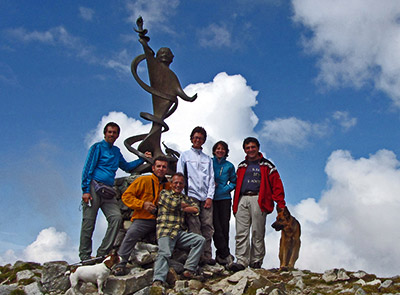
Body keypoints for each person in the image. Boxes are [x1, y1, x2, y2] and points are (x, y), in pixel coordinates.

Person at [79, 122, 149, 262]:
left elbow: (127, 167)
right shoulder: (97, 148)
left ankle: (101, 253)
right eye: (110, 132)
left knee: (116, 218)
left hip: (108, 190)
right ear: (105, 133)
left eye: (115, 132)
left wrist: (143, 158)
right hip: (94, 187)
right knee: (89, 223)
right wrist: (86, 190)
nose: (112, 135)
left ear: (118, 135)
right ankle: (85, 256)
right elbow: (87, 169)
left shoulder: (116, 151)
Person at [227, 137, 286, 271]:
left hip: (259, 198)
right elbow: (236, 183)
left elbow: (277, 185)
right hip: (242, 198)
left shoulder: (267, 165)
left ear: (258, 148)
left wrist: (280, 203)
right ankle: (241, 261)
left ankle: (256, 261)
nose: (250, 150)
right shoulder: (241, 166)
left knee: (257, 231)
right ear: (244, 150)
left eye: (253, 147)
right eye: (248, 148)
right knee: (241, 231)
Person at [114, 156, 171, 276]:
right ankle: (121, 263)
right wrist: (142, 204)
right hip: (143, 219)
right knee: (131, 234)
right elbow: (126, 196)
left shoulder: (168, 186)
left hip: (161, 221)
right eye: (158, 166)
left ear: (167, 169)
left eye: (164, 167)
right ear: (153, 168)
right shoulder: (143, 180)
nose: (161, 169)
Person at [151, 173, 205, 291]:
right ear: (171, 184)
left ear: (184, 185)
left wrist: (182, 206)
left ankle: (189, 270)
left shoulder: (185, 198)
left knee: (199, 240)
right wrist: (183, 207)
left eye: (180, 183)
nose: (178, 185)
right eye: (175, 183)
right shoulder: (164, 193)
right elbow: (172, 204)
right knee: (165, 253)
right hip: (166, 231)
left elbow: (196, 209)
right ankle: (158, 280)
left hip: (179, 233)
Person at [176, 126, 215, 265]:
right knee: (194, 226)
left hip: (205, 197)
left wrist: (210, 197)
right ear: (191, 138)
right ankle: (198, 257)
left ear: (204, 140)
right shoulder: (185, 156)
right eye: (196, 137)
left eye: (200, 138)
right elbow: (179, 176)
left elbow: (211, 178)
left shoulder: (208, 159)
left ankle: (207, 255)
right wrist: (182, 197)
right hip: (190, 195)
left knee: (207, 226)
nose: (198, 140)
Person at [212, 141, 236, 266]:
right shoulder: (209, 162)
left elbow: (234, 182)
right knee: (215, 227)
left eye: (223, 149)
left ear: (226, 151)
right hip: (211, 198)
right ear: (214, 150)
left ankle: (221, 256)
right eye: (218, 148)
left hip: (225, 199)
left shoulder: (229, 166)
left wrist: (225, 189)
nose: (220, 151)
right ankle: (225, 254)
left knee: (224, 227)